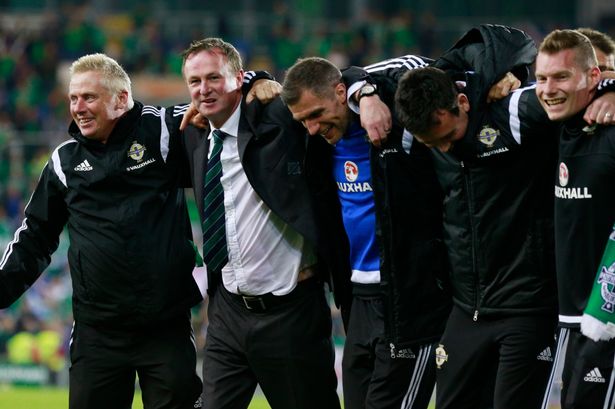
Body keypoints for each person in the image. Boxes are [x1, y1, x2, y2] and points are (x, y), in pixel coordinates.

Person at [0, 53, 203, 409]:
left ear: (121, 99)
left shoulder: (163, 131)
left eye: (89, 97)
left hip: (165, 328)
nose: (78, 107)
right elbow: (34, 238)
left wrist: (255, 81)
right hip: (98, 334)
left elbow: (220, 103)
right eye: (73, 98)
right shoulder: (64, 163)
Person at [180, 38, 349, 409]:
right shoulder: (192, 131)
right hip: (226, 314)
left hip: (289, 312)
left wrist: (262, 78)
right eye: (194, 81)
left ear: (238, 79)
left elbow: (332, 83)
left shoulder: (278, 116)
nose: (203, 89)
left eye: (213, 78)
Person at [280, 56, 451, 409]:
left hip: (409, 300)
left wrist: (368, 90)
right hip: (357, 299)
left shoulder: (395, 122)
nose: (311, 127)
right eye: (303, 120)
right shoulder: (321, 143)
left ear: (342, 93)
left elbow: (421, 66)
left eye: (316, 114)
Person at [534, 29, 615, 409]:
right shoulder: (550, 124)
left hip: (607, 322)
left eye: (561, 77)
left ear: (593, 77)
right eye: (541, 78)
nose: (548, 88)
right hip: (569, 317)